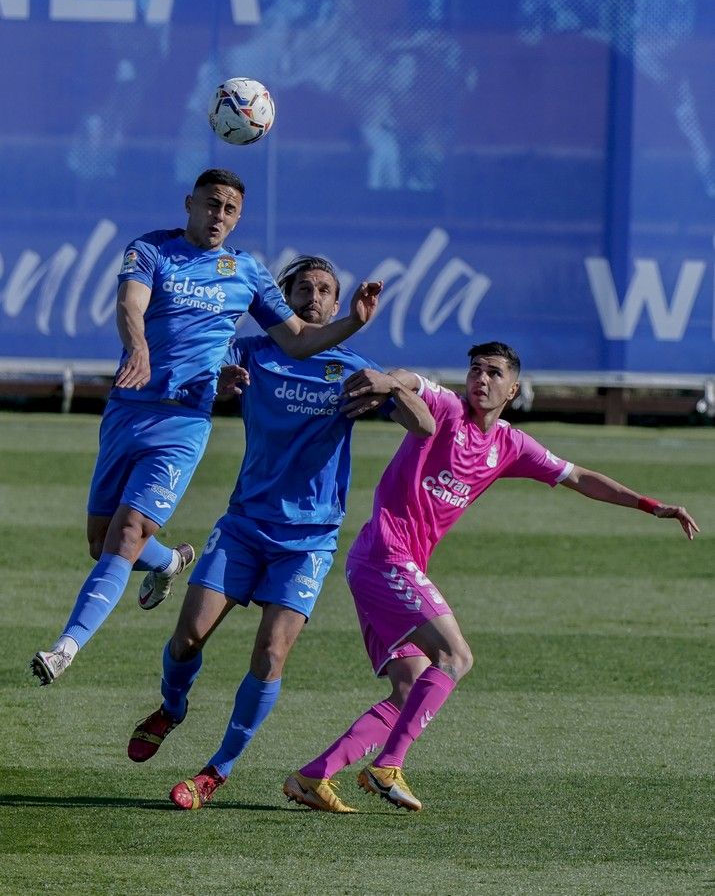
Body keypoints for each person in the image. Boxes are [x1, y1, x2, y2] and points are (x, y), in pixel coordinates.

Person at [284, 341, 700, 813]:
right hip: (385, 555)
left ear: (513, 389)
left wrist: (650, 505)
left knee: (411, 688)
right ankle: (387, 766)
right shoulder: (444, 408)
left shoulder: (509, 444)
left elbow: (580, 477)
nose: (481, 379)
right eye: (476, 369)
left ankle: (312, 776)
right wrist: (388, 379)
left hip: (386, 564)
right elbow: (409, 377)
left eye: (494, 372)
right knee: (456, 656)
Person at [30, 170, 383, 686]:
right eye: (212, 204)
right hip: (128, 408)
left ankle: (65, 646)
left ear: (238, 217)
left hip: (184, 421)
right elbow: (130, 304)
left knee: (126, 532)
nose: (219, 216)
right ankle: (169, 562)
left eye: (230, 210)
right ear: (190, 203)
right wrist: (140, 348)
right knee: (101, 539)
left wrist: (353, 321)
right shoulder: (150, 250)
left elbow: (299, 339)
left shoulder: (248, 272)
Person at [125, 255, 434, 811]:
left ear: (339, 306)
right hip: (244, 524)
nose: (314, 297)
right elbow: (200, 369)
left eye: (325, 291)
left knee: (269, 656)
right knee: (187, 637)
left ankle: (216, 771)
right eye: (303, 289)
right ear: (282, 299)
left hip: (310, 540)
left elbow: (424, 426)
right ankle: (172, 706)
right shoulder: (252, 352)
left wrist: (391, 384)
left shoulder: (352, 367)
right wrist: (217, 382)